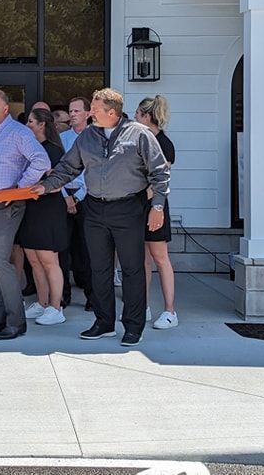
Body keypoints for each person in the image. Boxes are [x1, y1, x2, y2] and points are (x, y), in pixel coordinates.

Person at [33, 88, 170, 347]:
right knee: (99, 269)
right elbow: (68, 166)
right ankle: (104, 322)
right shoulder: (87, 137)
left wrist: (158, 207)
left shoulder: (139, 134)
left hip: (129, 208)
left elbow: (160, 173)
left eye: (94, 109)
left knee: (132, 270)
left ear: (111, 112)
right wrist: (47, 185)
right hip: (95, 209)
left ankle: (133, 326)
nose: (90, 114)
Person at [0, 90, 51, 341]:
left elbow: (42, 161)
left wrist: (19, 189)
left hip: (9, 205)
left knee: (0, 261)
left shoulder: (19, 132)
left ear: (6, 109)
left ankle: (17, 322)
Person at [18, 108, 67, 326]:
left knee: (49, 261)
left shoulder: (54, 151)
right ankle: (42, 301)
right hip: (30, 208)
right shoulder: (31, 149)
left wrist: (42, 187)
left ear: (42, 124)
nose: (27, 125)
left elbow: (59, 182)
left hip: (48, 209)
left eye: (30, 121)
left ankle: (56, 307)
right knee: (34, 260)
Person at [135, 95, 178, 329]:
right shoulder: (141, 140)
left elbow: (159, 183)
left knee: (161, 259)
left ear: (147, 116)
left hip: (155, 208)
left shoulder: (164, 144)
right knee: (143, 260)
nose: (134, 117)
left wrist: (149, 204)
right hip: (139, 207)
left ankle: (170, 311)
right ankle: (144, 307)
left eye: (137, 114)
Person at [60, 96, 92, 311]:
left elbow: (96, 172)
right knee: (62, 248)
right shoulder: (62, 138)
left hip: (87, 197)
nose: (72, 114)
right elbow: (56, 169)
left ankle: (92, 295)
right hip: (63, 196)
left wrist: (78, 197)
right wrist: (65, 196)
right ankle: (63, 295)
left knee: (88, 249)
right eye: (70, 111)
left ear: (88, 113)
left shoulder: (96, 138)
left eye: (76, 111)